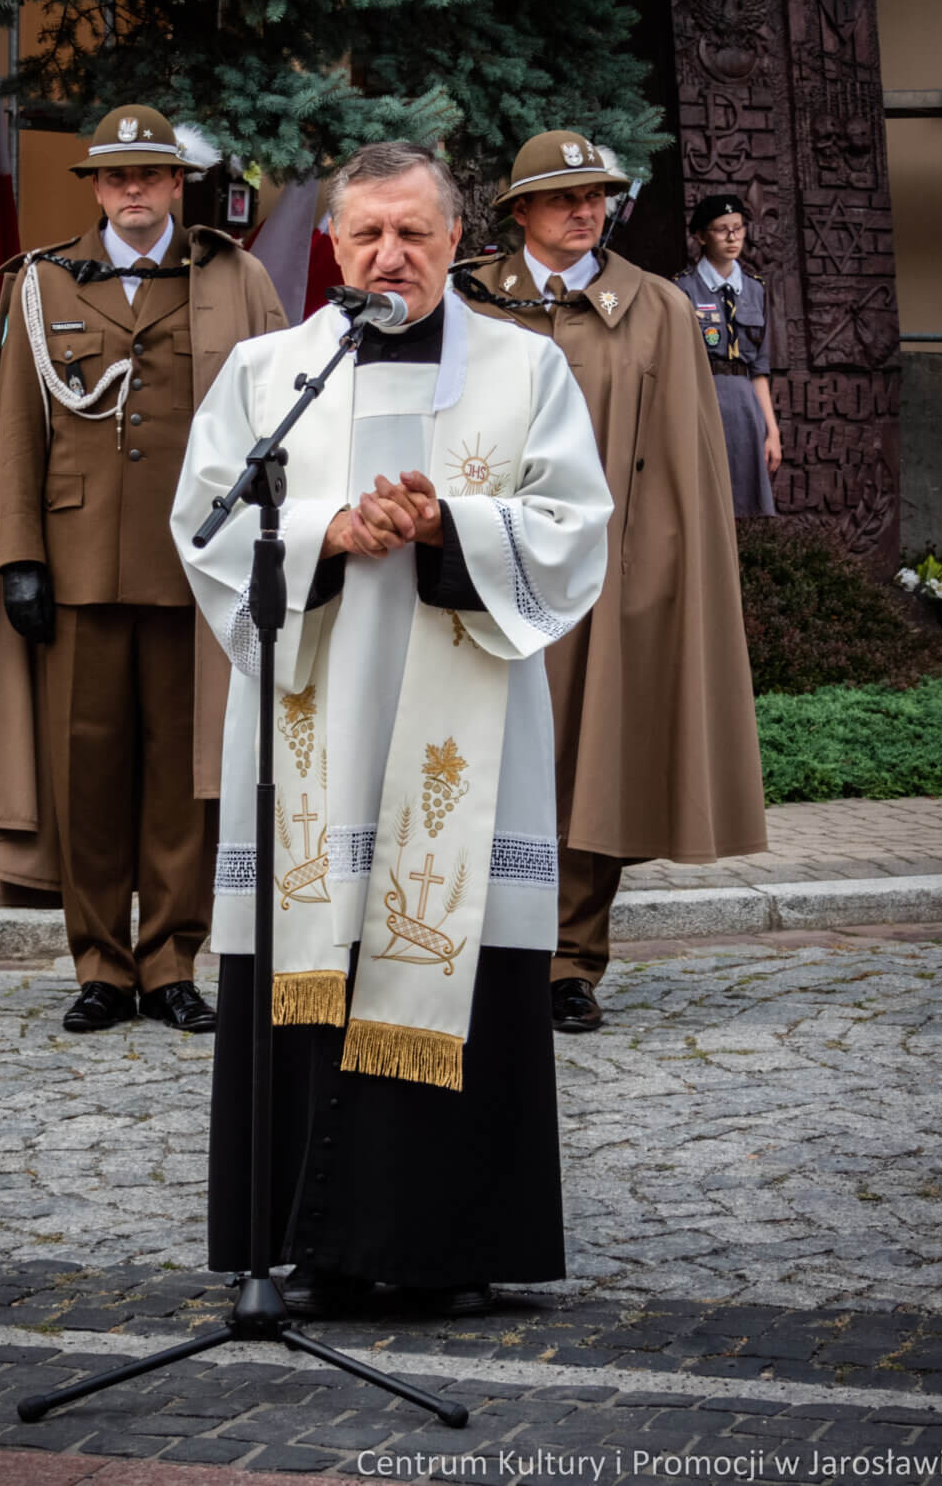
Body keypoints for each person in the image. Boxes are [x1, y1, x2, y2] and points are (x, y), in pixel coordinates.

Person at [170, 141, 612, 1317]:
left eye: (413, 233)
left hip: (458, 731)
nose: (388, 255)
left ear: (453, 239)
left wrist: (448, 522)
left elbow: (574, 527)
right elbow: (206, 519)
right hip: (316, 719)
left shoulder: (523, 369)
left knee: (448, 948)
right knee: (309, 961)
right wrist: (327, 532)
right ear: (331, 243)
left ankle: (444, 1249)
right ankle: (303, 1246)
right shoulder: (273, 373)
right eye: (365, 233)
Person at [0, 105, 287, 1033]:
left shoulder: (232, 278)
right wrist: (19, 557)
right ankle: (100, 965)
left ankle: (170, 961)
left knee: (179, 775)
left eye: (149, 176)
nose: (132, 191)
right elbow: (13, 433)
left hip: (194, 568)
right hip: (75, 571)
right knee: (86, 775)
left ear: (177, 183)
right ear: (94, 187)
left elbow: (281, 419)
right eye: (114, 178)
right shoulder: (41, 284)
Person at [452, 130, 767, 1034]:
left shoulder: (658, 305)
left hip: (607, 572)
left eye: (596, 195)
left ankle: (569, 961)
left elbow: (685, 459)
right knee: (487, 762)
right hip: (488, 565)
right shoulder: (470, 299)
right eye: (562, 197)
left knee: (597, 765)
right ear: (519, 213)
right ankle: (475, 950)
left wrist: (663, 574)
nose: (585, 210)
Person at [673, 193, 780, 516]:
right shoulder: (681, 289)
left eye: (738, 228)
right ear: (701, 236)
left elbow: (759, 369)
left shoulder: (755, 289)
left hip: (745, 403)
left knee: (743, 506)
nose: (733, 237)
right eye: (722, 229)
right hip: (701, 397)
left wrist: (771, 431)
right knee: (703, 501)